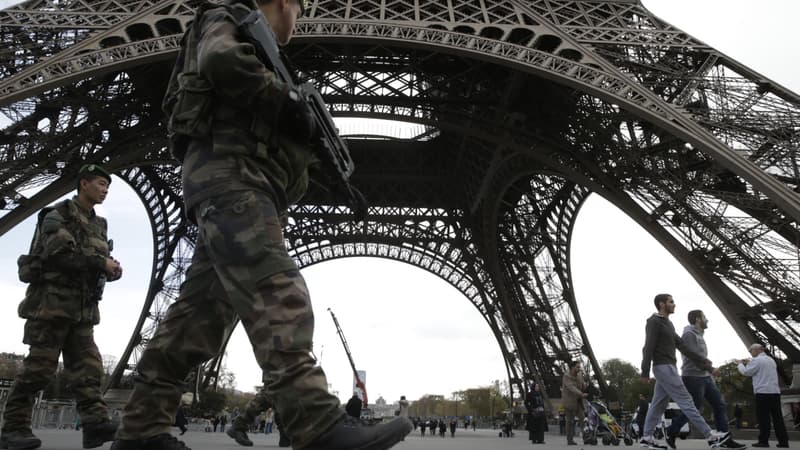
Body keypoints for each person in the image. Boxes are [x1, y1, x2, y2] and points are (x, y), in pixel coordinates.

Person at [108, 0, 412, 449]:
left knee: (196, 319)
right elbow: (219, 59)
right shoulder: (226, 16)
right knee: (276, 287)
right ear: (285, 2)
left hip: (236, 179)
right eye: (301, 8)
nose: (300, 18)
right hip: (233, 175)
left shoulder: (253, 43)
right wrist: (287, 101)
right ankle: (317, 423)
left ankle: (140, 430)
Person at [0, 164, 122, 450]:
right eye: (101, 183)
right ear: (84, 183)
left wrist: (111, 270)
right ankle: (13, 429)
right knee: (38, 370)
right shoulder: (57, 214)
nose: (105, 190)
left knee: (89, 368)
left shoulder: (99, 224)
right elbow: (57, 252)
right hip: (51, 307)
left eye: (108, 187)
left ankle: (95, 424)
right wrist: (99, 262)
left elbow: (91, 262)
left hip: (82, 310)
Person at [639, 294, 731, 450]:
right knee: (687, 401)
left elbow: (682, 346)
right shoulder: (653, 322)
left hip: (669, 367)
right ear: (662, 304)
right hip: (663, 367)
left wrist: (707, 366)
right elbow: (648, 347)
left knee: (658, 405)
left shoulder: (668, 323)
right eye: (671, 302)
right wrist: (645, 371)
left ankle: (646, 439)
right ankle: (711, 436)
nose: (674, 304)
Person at [663, 310, 746, 450]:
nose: (707, 320)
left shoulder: (699, 334)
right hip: (693, 377)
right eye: (704, 317)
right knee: (694, 409)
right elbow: (692, 356)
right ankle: (671, 430)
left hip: (705, 377)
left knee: (719, 405)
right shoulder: (689, 334)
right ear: (697, 319)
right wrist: (711, 368)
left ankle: (724, 437)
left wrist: (708, 370)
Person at [737, 343, 789, 448]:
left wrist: (740, 364)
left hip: (762, 393)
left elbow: (746, 372)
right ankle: (783, 441)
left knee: (763, 418)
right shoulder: (771, 360)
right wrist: (750, 362)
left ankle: (764, 441)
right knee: (778, 418)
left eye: (751, 351)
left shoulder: (757, 361)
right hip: (775, 392)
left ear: (757, 350)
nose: (751, 353)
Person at [562, 361, 587, 445]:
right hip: (569, 402)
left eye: (579, 367)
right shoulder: (566, 376)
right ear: (572, 367)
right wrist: (581, 394)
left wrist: (586, 385)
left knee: (583, 419)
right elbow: (571, 387)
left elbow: (583, 385)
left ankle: (586, 438)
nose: (579, 369)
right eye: (577, 367)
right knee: (570, 421)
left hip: (578, 401)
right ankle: (570, 440)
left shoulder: (580, 375)